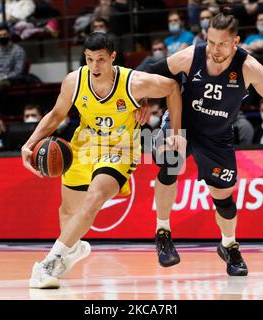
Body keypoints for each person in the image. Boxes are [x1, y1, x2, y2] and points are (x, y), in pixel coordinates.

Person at [21, 32, 184, 289]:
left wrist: (175, 133)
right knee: (68, 212)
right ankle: (71, 249)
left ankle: (48, 264)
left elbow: (173, 88)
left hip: (120, 148)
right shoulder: (74, 81)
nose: (95, 67)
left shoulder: (134, 82)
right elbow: (56, 115)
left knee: (94, 198)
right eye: (89, 60)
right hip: (84, 144)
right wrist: (29, 143)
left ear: (112, 58)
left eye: (100, 60)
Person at [145, 13, 263, 276]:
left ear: (235, 41)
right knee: (169, 162)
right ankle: (163, 232)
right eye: (211, 42)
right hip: (183, 125)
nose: (215, 49)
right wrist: (141, 101)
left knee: (223, 198)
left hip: (217, 136)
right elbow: (150, 73)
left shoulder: (247, 65)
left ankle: (229, 245)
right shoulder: (190, 56)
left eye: (222, 44)